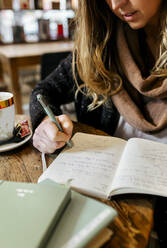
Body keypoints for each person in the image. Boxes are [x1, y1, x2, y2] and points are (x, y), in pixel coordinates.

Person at [30, 1, 167, 246]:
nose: (116, 4)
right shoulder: (104, 43)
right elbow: (44, 91)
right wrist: (43, 122)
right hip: (100, 215)